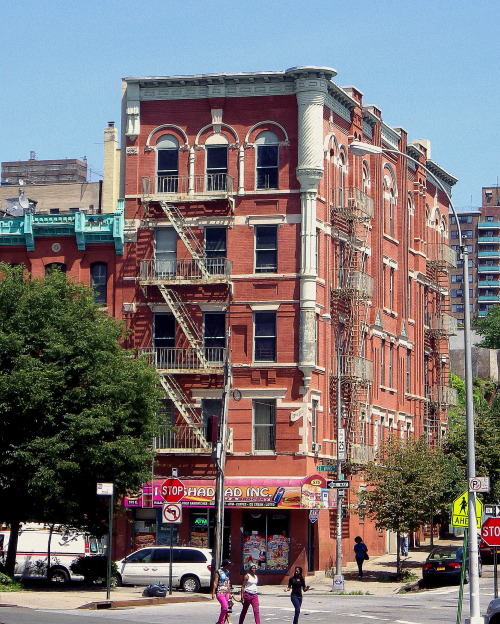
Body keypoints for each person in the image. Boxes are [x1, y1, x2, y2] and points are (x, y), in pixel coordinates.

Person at [212, 559, 233, 624]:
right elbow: (215, 582)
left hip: (226, 592)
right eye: (228, 565)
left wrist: (229, 593)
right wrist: (213, 592)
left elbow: (228, 583)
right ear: (225, 565)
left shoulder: (228, 572)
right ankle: (220, 621)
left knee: (224, 608)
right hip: (220, 591)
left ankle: (222, 621)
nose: (230, 566)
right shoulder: (218, 572)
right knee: (225, 607)